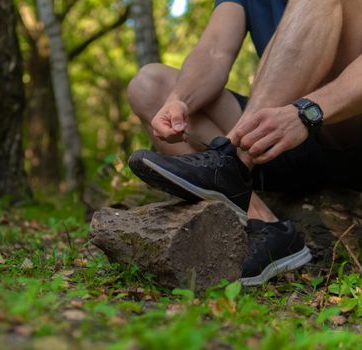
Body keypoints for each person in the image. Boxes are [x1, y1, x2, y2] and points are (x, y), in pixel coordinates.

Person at [126, 0, 362, 286]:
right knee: (150, 86)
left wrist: (306, 112)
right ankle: (265, 226)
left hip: (341, 121)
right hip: (280, 135)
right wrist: (179, 100)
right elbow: (214, 51)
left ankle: (233, 160)